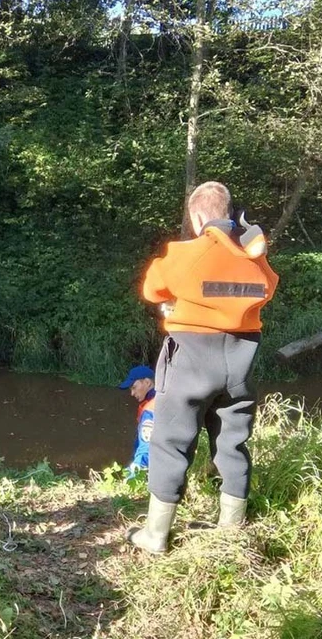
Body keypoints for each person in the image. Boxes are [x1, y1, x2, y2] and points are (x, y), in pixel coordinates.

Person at [127, 181, 278, 554]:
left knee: (171, 441)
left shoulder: (187, 252)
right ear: (227, 213)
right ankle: (231, 530)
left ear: (197, 216)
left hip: (192, 358)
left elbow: (151, 289)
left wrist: (178, 305)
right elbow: (267, 288)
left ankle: (156, 535)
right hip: (240, 360)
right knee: (232, 440)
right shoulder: (253, 256)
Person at [118, 365, 155, 475]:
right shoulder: (162, 400)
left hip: (149, 471)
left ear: (147, 382)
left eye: (134, 387)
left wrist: (133, 476)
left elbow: (146, 448)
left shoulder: (150, 409)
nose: (132, 393)